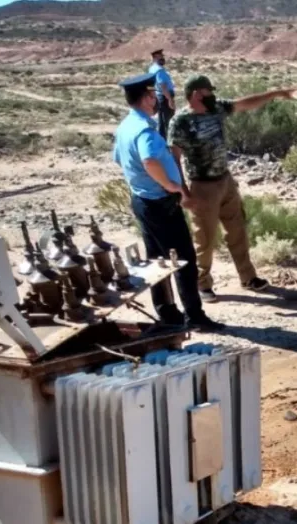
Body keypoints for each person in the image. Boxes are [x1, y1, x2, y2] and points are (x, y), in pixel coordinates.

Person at [168, 74, 296, 303]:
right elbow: (174, 158)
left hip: (225, 181)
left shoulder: (216, 108)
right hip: (202, 186)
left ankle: (248, 277)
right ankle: (202, 283)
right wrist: (183, 192)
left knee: (237, 230)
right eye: (209, 91)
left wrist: (275, 93)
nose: (213, 95)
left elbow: (245, 103)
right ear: (197, 94)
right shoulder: (181, 122)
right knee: (204, 238)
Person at [112, 72, 223, 332]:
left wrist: (141, 179)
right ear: (147, 97)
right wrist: (172, 186)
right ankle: (194, 317)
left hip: (142, 200)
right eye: (153, 95)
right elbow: (150, 160)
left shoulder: (125, 126)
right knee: (183, 260)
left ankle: (167, 313)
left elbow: (119, 158)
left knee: (156, 261)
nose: (156, 99)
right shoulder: (144, 131)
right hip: (160, 203)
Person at [147, 49, 176, 139]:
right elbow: (163, 86)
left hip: (159, 96)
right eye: (160, 57)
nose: (163, 58)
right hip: (164, 97)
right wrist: (170, 100)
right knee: (168, 121)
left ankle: (163, 140)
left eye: (163, 56)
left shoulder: (152, 69)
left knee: (162, 121)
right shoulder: (159, 70)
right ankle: (168, 141)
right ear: (155, 58)